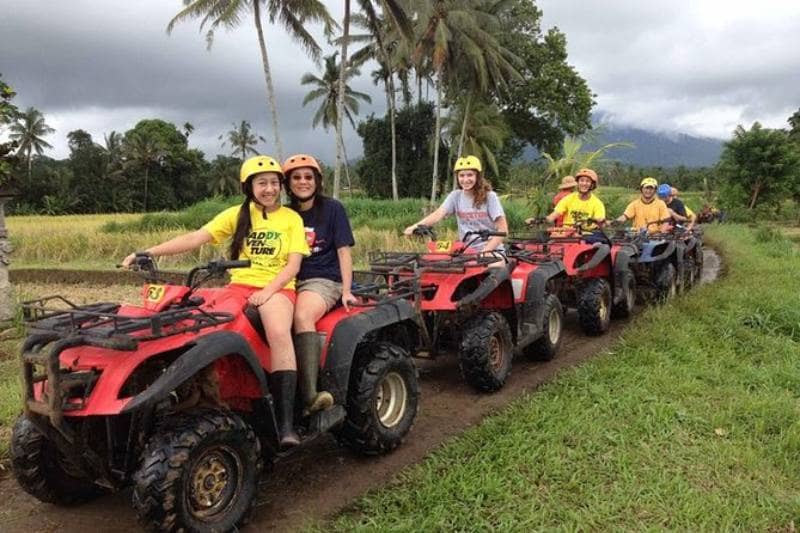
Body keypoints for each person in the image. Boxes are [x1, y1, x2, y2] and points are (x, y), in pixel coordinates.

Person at [121, 155, 309, 448]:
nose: (269, 189)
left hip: (279, 288)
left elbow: (293, 266)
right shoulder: (236, 214)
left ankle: (285, 425)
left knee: (278, 332)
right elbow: (196, 237)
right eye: (262, 183)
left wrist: (269, 291)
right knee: (206, 325)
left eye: (274, 183)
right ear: (249, 187)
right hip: (238, 286)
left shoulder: (291, 219)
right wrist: (148, 251)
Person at [282, 153, 356, 415]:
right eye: (297, 178)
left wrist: (346, 290)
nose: (303, 182)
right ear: (288, 183)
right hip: (288, 279)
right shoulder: (283, 214)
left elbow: (343, 251)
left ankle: (309, 395)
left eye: (308, 177)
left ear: (317, 181)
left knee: (302, 315)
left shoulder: (332, 209)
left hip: (324, 279)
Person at [404, 155, 507, 253]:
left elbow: (503, 230)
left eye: (470, 175)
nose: (465, 180)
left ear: (478, 176)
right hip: (465, 250)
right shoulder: (455, 196)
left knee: (495, 268)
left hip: (492, 250)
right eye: (462, 175)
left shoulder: (490, 197)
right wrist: (415, 226)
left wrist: (485, 252)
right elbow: (438, 214)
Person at [534, 168, 605, 231]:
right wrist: (538, 220)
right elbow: (552, 216)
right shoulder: (568, 199)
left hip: (587, 236)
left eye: (587, 181)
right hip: (567, 235)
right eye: (582, 180)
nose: (584, 183)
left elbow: (600, 221)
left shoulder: (597, 203)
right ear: (577, 183)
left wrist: (598, 221)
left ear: (592, 185)